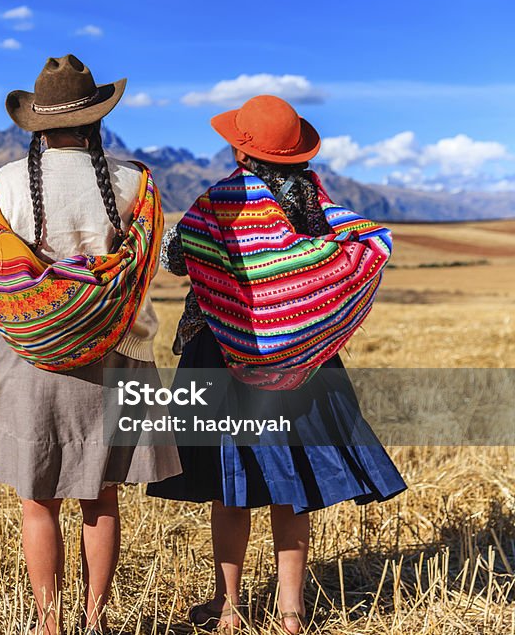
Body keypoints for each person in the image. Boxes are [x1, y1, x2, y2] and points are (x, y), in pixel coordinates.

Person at [147, 95, 407, 634]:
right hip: (304, 363)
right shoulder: (319, 204)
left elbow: (176, 256)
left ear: (240, 146)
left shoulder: (219, 201)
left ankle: (229, 608)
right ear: (297, 151)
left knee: (230, 483)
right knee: (294, 486)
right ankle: (292, 611)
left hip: (221, 355)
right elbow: (352, 254)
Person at [0, 54, 181, 635]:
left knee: (38, 499)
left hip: (30, 356)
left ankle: (48, 623)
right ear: (95, 120)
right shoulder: (135, 184)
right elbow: (151, 266)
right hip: (120, 355)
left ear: (36, 123)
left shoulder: (4, 185)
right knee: (102, 497)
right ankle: (96, 618)